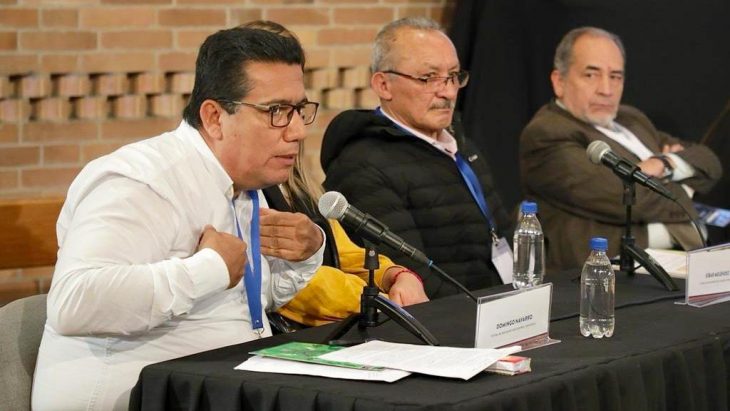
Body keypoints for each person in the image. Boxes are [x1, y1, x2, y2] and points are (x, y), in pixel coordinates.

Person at [32, 24, 326, 410]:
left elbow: (244, 301)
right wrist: (209, 268)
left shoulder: (240, 185)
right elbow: (75, 302)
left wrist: (306, 254)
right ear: (215, 117)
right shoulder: (142, 181)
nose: (297, 131)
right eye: (276, 112)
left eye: (299, 110)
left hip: (219, 389)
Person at [320, 17, 512, 299]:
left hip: (502, 310)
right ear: (384, 85)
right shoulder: (361, 165)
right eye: (428, 78)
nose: (447, 91)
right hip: (450, 324)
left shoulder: (462, 145)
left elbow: (504, 233)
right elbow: (411, 275)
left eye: (454, 76)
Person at [519, 26, 722, 270]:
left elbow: (709, 162)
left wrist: (664, 164)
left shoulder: (630, 118)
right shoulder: (548, 133)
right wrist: (686, 187)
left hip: (668, 258)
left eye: (615, 76)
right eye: (591, 75)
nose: (606, 89)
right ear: (559, 81)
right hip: (600, 272)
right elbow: (625, 197)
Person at [264, 142, 429, 327]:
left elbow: (346, 255)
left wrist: (395, 276)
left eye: (300, 114)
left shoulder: (305, 191)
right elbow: (289, 277)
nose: (297, 130)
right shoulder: (255, 197)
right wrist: (378, 301)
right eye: (278, 112)